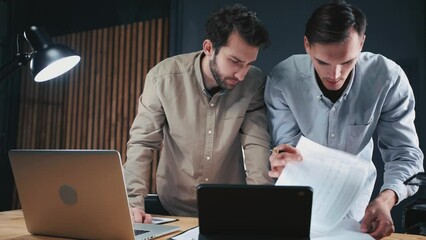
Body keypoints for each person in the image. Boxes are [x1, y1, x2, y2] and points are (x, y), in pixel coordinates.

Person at [124, 4, 302, 223]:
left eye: (249, 64)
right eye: (235, 61)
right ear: (209, 47)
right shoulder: (162, 78)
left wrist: (261, 203)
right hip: (173, 208)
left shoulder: (254, 83)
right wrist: (132, 203)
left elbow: (256, 145)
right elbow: (142, 144)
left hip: (229, 209)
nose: (242, 74)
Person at [265, 1, 424, 239]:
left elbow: (404, 153)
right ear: (307, 45)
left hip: (357, 211)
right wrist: (282, 157)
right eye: (323, 63)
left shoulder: (388, 79)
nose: (335, 75)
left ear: (361, 43)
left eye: (347, 62)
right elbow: (286, 146)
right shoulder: (283, 80)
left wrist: (387, 198)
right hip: (297, 204)